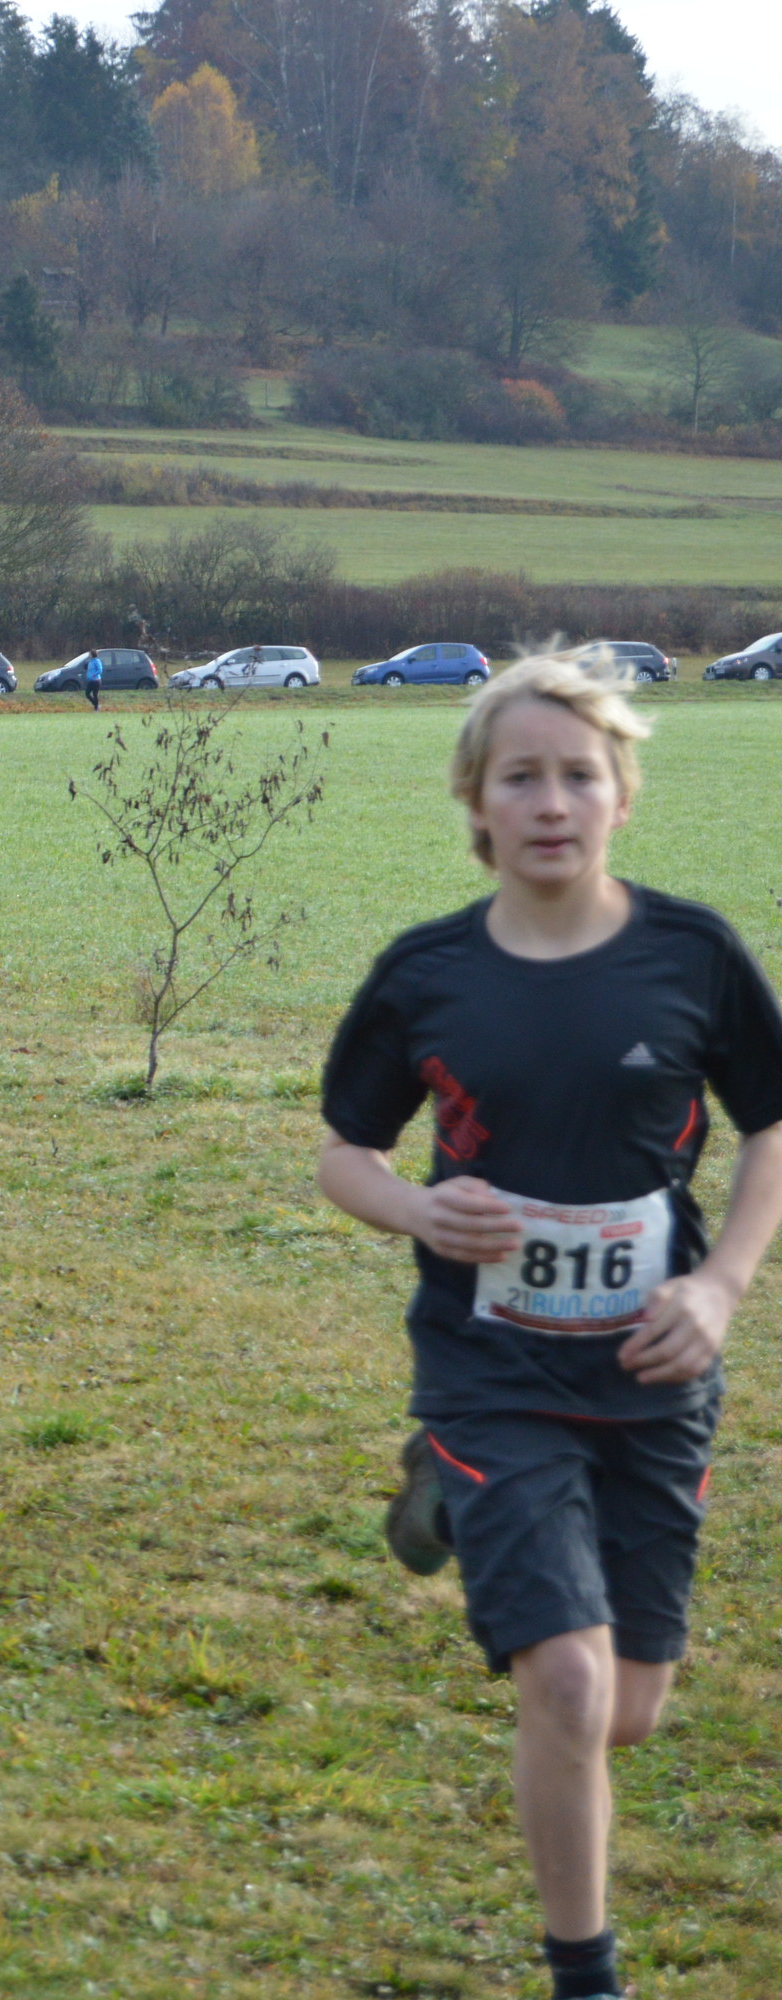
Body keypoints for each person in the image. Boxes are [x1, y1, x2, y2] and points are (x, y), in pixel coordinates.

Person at [314, 657, 782, 2000]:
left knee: (626, 1709)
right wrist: (416, 1207)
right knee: (565, 1687)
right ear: (476, 800)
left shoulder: (691, 957)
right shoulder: (427, 975)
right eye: (520, 776)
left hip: (651, 1371)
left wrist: (719, 1285)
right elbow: (343, 1155)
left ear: (621, 794)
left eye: (579, 774)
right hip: (492, 1371)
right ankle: (587, 1975)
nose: (551, 801)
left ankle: (445, 1500)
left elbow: (771, 1127)